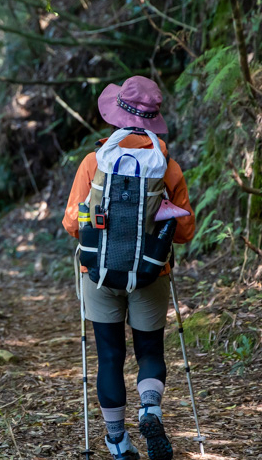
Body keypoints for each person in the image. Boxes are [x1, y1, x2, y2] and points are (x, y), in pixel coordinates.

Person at [62, 76, 195, 460]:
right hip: (152, 273)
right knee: (150, 349)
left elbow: (72, 223)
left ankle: (117, 441)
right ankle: (150, 409)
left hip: (99, 273)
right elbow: (184, 231)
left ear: (116, 116)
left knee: (109, 356)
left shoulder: (94, 161)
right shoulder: (167, 166)